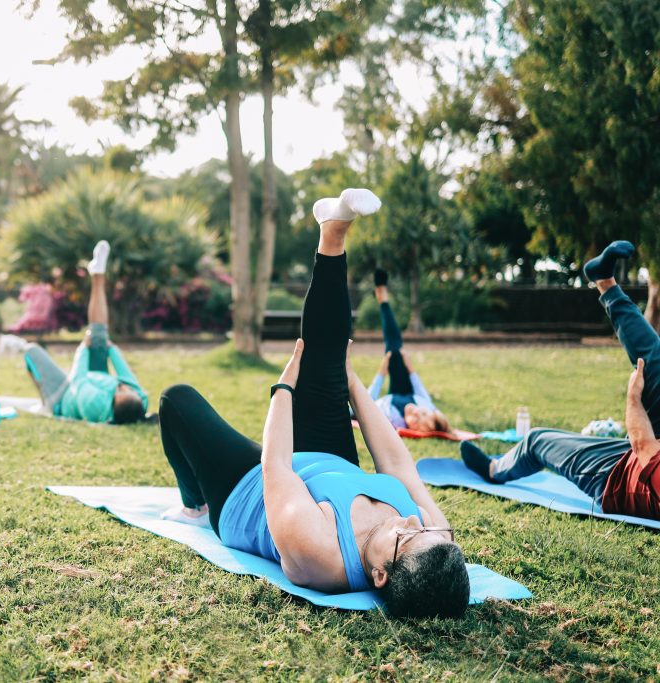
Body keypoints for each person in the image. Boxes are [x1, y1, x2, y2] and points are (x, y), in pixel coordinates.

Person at [157, 190, 470, 618]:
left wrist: (284, 391)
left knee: (177, 401)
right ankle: (333, 231)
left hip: (248, 491)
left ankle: (195, 505)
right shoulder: (434, 539)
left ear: (379, 575)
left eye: (406, 536)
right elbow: (397, 466)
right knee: (327, 355)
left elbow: (276, 467)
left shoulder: (319, 554)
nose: (412, 520)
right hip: (330, 462)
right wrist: (350, 381)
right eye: (426, 527)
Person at [462, 240, 660, 519]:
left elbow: (643, 446)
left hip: (614, 477)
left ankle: (495, 470)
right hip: (646, 452)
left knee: (537, 440)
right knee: (655, 363)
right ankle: (605, 281)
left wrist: (633, 398)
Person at [22, 241, 149, 424]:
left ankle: (47, 403)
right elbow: (127, 375)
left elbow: (78, 381)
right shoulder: (139, 400)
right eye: (128, 390)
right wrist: (111, 349)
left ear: (112, 403)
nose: (122, 386)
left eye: (120, 391)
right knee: (99, 336)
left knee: (30, 351)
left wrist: (83, 347)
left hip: (64, 393)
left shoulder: (94, 405)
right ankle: (98, 274)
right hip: (95, 377)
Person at [366, 270, 450, 433]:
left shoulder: (390, 418)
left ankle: (383, 299)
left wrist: (382, 373)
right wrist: (410, 368)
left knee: (391, 355)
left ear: (410, 428)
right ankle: (383, 300)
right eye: (423, 413)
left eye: (416, 420)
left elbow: (366, 403)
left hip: (391, 399)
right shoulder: (425, 405)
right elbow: (420, 391)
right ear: (430, 410)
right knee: (396, 351)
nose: (417, 413)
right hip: (406, 391)